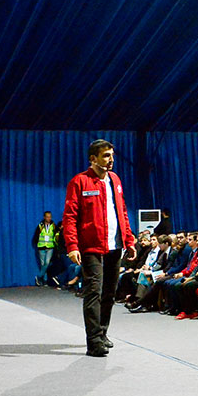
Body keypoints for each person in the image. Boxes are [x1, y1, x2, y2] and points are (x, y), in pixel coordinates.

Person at [61, 140, 135, 356]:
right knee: (94, 291)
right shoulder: (79, 182)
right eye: (106, 156)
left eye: (112, 155)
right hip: (91, 246)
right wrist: (72, 245)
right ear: (93, 159)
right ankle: (93, 342)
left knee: (110, 293)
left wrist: (129, 240)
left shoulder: (115, 180)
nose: (111, 160)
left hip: (115, 245)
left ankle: (102, 332)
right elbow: (70, 217)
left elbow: (122, 212)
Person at [33, 210, 58, 286]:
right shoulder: (40, 225)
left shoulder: (53, 225)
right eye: (47, 217)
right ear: (44, 217)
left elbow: (56, 235)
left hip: (50, 247)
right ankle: (45, 280)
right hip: (41, 247)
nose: (49, 218)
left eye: (50, 217)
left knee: (47, 263)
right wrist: (36, 243)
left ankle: (38, 277)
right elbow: (36, 235)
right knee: (43, 264)